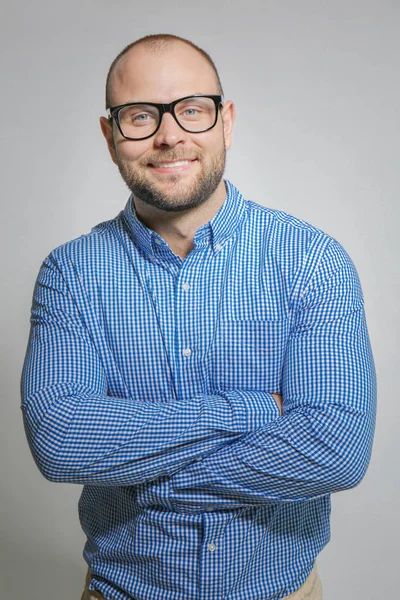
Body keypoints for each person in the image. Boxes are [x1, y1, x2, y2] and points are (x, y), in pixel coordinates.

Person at [21, 33, 376, 600]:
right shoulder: (71, 274)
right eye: (140, 115)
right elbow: (62, 440)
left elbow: (335, 449)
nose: (169, 135)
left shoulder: (312, 261)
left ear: (225, 122)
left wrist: (141, 473)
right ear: (111, 137)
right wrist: (258, 411)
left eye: (191, 109)